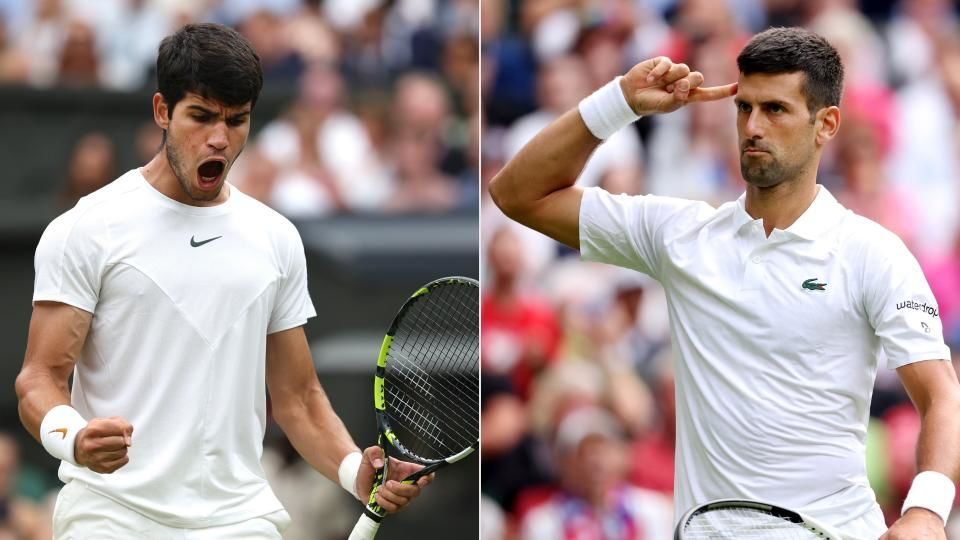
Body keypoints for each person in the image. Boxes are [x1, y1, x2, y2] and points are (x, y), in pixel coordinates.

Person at [490, 26, 960, 538]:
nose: (753, 126)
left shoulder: (873, 253)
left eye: (775, 109)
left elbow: (943, 395)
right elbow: (517, 193)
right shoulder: (680, 234)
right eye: (744, 107)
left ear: (826, 124)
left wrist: (925, 512)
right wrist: (619, 101)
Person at [15, 23, 428, 538]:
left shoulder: (275, 238)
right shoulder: (86, 228)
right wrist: (73, 437)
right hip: (111, 516)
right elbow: (39, 380)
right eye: (202, 117)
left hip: (240, 519)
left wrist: (352, 469)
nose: (219, 138)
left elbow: (297, 397)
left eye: (237, 121)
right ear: (162, 110)